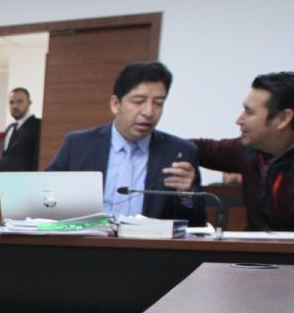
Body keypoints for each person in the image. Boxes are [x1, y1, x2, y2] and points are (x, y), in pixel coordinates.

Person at [46, 61, 205, 224]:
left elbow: (197, 223)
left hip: (148, 240)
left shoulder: (179, 153)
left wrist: (186, 195)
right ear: (116, 104)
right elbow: (44, 200)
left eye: (158, 103)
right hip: (88, 237)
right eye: (138, 101)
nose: (149, 112)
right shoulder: (78, 145)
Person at [168, 72, 294, 232]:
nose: (239, 120)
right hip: (254, 246)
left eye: (249, 112)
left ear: (283, 118)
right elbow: (196, 148)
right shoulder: (250, 150)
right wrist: (155, 142)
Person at [0, 87, 42, 202]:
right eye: (11, 102)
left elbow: (37, 159)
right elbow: (3, 161)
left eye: (19, 101)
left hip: (25, 190)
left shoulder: (38, 126)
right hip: (3, 191)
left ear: (29, 103)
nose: (15, 105)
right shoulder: (10, 128)